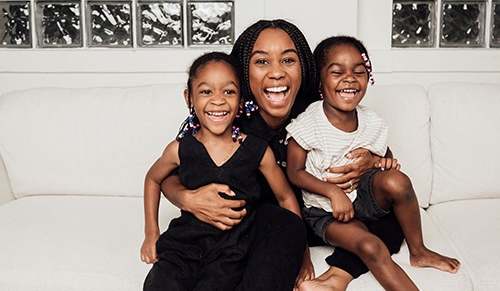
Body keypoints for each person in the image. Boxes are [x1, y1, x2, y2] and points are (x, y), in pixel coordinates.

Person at [160, 19, 406, 291]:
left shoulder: (320, 110)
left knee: (393, 215)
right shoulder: (227, 119)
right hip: (266, 224)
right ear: (242, 72)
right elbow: (171, 172)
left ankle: (338, 275)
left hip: (325, 212)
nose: (276, 73)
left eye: (288, 60)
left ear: (304, 69)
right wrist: (186, 198)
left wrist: (372, 162)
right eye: (262, 62)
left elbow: (370, 140)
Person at [286, 35, 461, 291]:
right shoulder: (308, 124)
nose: (349, 78)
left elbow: (385, 157)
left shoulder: (373, 122)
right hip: (325, 211)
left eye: (359, 71)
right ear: (319, 81)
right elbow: (294, 171)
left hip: (363, 199)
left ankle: (419, 251)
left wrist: (382, 162)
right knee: (371, 246)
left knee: (397, 181)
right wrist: (334, 192)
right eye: (337, 72)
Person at [141, 51, 303, 291]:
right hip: (182, 246)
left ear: (241, 100)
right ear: (189, 99)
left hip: (230, 251)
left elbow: (285, 196)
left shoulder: (256, 150)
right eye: (206, 91)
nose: (218, 100)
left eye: (228, 91)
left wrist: (301, 251)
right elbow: (153, 179)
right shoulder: (180, 149)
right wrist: (151, 233)